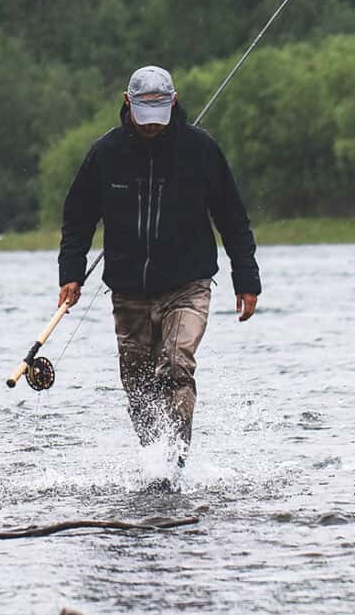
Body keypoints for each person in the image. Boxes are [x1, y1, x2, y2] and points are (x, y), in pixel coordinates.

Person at [54, 66, 260, 463]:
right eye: (143, 119)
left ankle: (175, 462)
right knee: (137, 384)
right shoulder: (105, 154)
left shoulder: (201, 151)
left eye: (159, 119)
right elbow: (77, 218)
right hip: (128, 290)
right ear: (127, 103)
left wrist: (246, 278)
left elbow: (233, 218)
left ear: (174, 102)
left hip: (188, 283)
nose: (151, 128)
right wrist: (70, 273)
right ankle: (155, 460)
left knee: (176, 366)